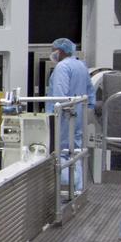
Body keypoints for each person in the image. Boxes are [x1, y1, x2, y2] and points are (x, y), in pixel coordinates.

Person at [46, 38, 95, 189]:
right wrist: (87, 108)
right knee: (76, 151)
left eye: (53, 50)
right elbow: (90, 91)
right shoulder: (81, 65)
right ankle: (78, 188)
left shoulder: (62, 67)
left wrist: (59, 111)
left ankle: (66, 188)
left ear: (59, 51)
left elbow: (59, 94)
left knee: (62, 151)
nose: (52, 54)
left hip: (64, 117)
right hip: (79, 115)